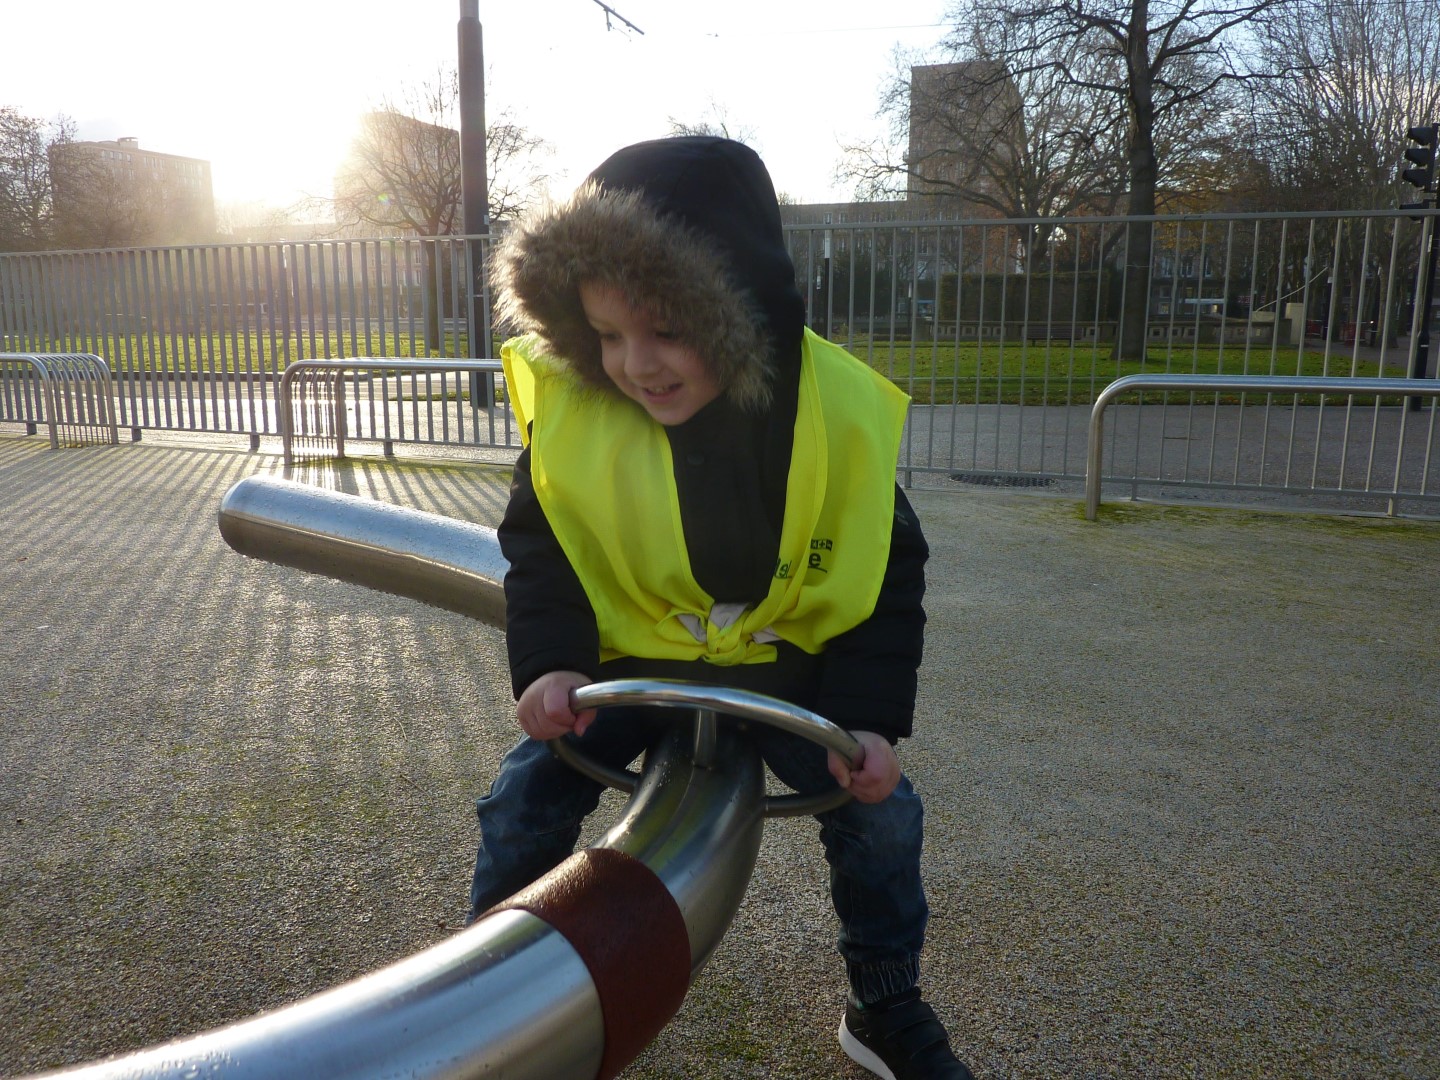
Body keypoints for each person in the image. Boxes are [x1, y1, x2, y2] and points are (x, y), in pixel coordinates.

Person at [469, 135, 973, 1080]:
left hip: (786, 674)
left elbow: (883, 568)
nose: (636, 365)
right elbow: (541, 546)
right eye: (607, 335)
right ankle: (486, 988)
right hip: (629, 670)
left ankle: (885, 1000)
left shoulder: (828, 415)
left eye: (666, 329)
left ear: (737, 312)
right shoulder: (580, 416)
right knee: (522, 800)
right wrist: (550, 664)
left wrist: (865, 723)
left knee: (883, 817)